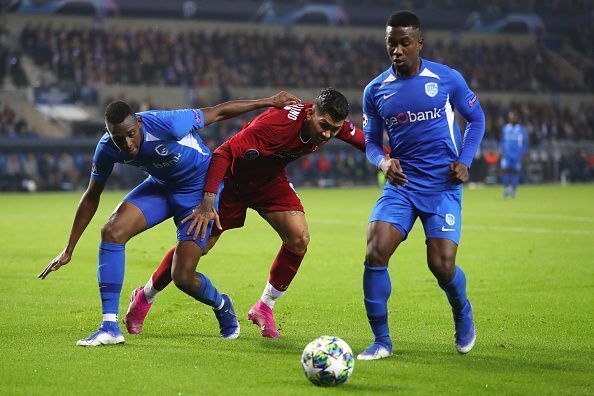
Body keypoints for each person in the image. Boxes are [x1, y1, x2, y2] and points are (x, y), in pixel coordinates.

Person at [38, 91, 300, 346]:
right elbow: (91, 195)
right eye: (119, 139)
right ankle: (109, 327)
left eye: (131, 135)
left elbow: (217, 112)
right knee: (112, 231)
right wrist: (69, 248)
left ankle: (222, 304)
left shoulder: (167, 122)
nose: (128, 144)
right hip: (161, 187)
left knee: (183, 277)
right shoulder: (107, 149)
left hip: (198, 192)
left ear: (138, 123)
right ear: (109, 135)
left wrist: (269, 101)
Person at [125, 88, 366, 338]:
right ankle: (145, 296)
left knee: (299, 238)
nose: (326, 134)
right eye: (323, 126)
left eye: (333, 130)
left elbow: (359, 138)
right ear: (310, 113)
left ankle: (264, 306)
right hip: (230, 183)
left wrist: (387, 160)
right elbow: (223, 152)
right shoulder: (276, 126)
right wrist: (208, 199)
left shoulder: (329, 125)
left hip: (269, 181)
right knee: (197, 245)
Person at [358, 11, 485, 360]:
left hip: (442, 185)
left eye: (404, 43)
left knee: (442, 266)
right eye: (391, 43)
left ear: (419, 43)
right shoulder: (375, 90)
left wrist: (466, 160)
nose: (397, 50)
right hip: (401, 185)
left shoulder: (446, 79)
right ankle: (382, 341)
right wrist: (383, 161)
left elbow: (476, 118)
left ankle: (462, 310)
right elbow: (370, 142)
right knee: (375, 250)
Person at [500, 110, 528, 198]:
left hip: (517, 155)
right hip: (507, 155)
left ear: (517, 118)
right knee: (504, 171)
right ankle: (507, 188)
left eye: (514, 117)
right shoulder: (505, 128)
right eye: (511, 117)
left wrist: (524, 153)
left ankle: (514, 190)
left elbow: (525, 142)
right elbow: (502, 140)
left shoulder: (521, 129)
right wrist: (501, 149)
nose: (512, 118)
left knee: (515, 172)